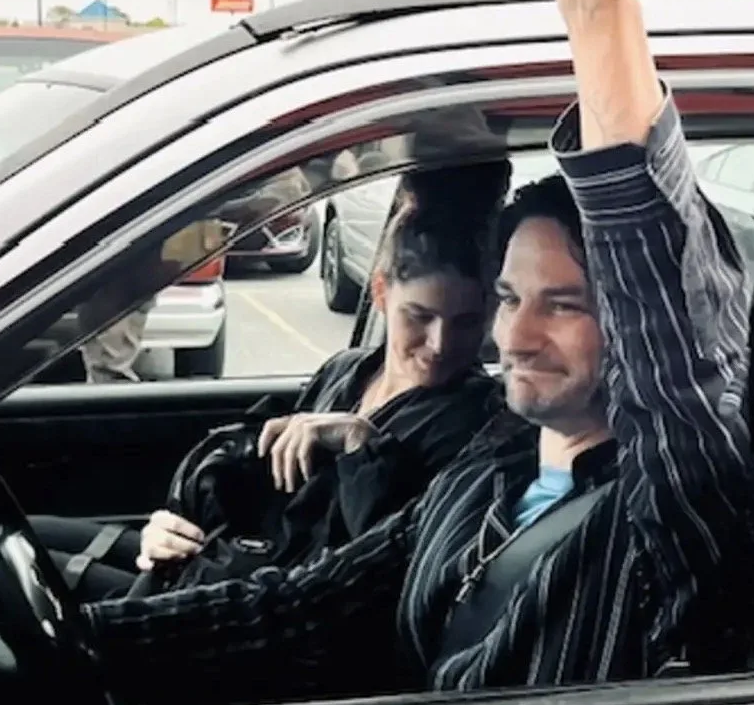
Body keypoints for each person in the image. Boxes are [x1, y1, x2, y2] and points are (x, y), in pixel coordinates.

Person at [78, 0, 754, 705]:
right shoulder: (491, 468)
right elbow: (310, 612)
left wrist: (597, 2)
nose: (516, 335)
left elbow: (676, 338)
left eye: (568, 303)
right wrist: (75, 644)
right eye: (511, 296)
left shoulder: (672, 510)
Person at [35, 174, 510, 600]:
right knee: (25, 535)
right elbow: (255, 472)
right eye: (420, 317)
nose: (440, 344)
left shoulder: (472, 422)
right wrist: (176, 520)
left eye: (466, 322)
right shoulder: (345, 372)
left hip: (267, 606)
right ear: (382, 294)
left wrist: (364, 447)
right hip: (228, 562)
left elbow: (391, 565)